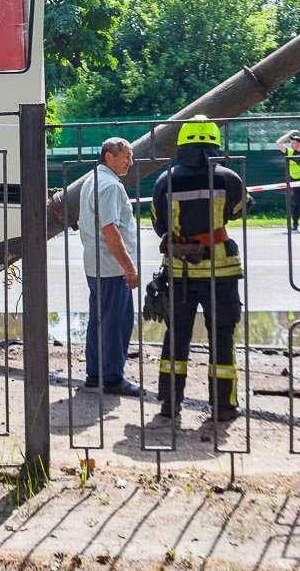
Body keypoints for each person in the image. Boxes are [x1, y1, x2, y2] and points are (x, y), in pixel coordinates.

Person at [151, 116, 251, 421]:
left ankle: (170, 403)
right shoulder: (228, 178)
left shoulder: (164, 180)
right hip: (220, 274)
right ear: (213, 144)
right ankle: (223, 406)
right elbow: (241, 209)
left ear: (182, 145)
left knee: (176, 334)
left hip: (180, 273)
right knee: (222, 336)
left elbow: (159, 226)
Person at [78, 137, 141, 396]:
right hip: (112, 268)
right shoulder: (110, 186)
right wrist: (129, 266)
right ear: (109, 157)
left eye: (131, 157)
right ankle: (113, 378)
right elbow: (110, 229)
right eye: (126, 156)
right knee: (117, 323)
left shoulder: (91, 180)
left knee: (99, 321)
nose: (130, 162)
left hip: (96, 265)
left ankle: (95, 374)